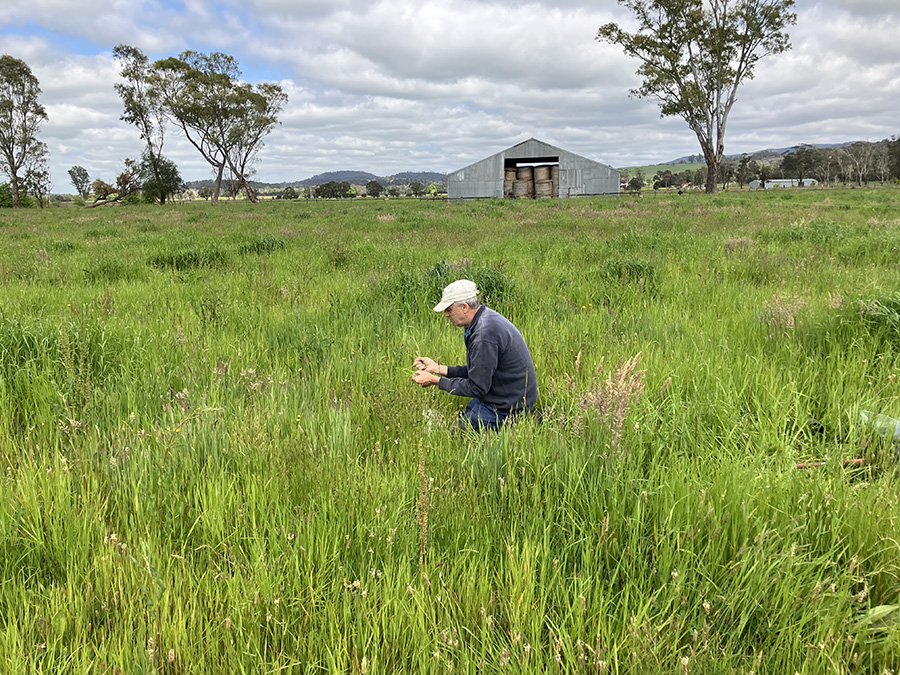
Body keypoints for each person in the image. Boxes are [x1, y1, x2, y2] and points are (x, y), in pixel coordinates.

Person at [412, 279, 538, 430]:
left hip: (509, 407)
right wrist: (438, 368)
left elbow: (477, 387)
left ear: (464, 307)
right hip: (503, 396)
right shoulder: (484, 319)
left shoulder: (484, 335)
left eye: (449, 309)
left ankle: (518, 422)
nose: (446, 314)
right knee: (467, 412)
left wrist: (435, 381)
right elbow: (478, 371)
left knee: (456, 434)